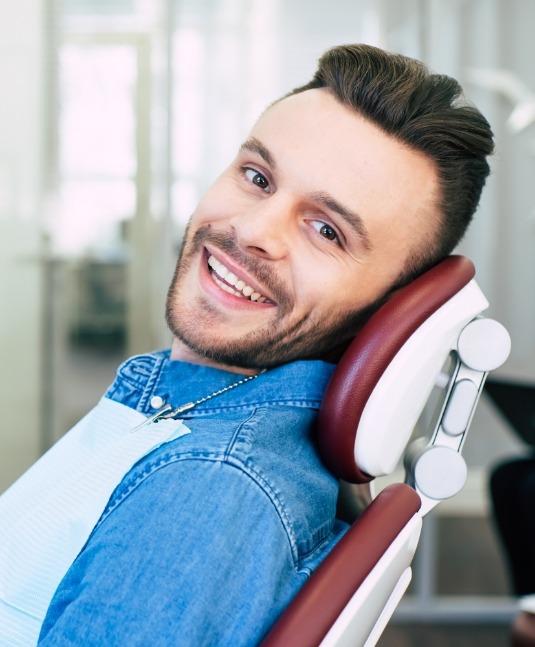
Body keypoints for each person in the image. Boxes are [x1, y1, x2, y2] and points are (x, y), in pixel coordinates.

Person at [12, 43, 494, 646]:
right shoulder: (186, 414)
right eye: (257, 177)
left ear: (384, 308)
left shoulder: (207, 488)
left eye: (326, 231)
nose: (252, 229)